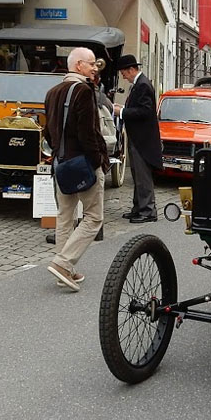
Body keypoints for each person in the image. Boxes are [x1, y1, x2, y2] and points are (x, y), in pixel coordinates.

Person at [44, 47, 109, 291]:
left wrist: (59, 153)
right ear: (79, 65)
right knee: (94, 217)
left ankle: (64, 269)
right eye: (92, 64)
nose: (95, 68)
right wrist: (97, 161)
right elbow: (88, 133)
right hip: (82, 162)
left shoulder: (52, 92)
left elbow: (48, 133)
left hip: (61, 163)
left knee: (65, 216)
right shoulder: (83, 90)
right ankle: (63, 263)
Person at [113, 54, 162, 223]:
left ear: (132, 70)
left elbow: (145, 111)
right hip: (138, 137)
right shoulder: (138, 85)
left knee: (143, 176)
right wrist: (124, 108)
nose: (123, 76)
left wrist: (122, 112)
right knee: (136, 175)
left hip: (143, 139)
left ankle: (148, 211)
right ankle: (138, 207)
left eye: (124, 73)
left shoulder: (142, 85)